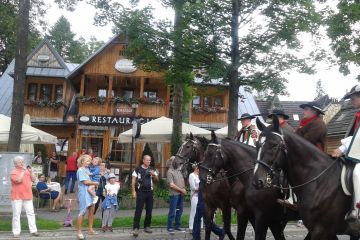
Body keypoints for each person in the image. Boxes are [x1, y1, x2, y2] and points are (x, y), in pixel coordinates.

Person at [331, 85, 360, 221]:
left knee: (357, 173)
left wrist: (342, 148)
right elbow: (355, 135)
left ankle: (357, 211)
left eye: (353, 98)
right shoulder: (357, 114)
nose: (351, 101)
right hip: (356, 152)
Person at [10, 156, 39, 238]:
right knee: (16, 214)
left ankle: (33, 231)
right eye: (20, 162)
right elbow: (18, 180)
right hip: (17, 196)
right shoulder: (13, 172)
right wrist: (23, 171)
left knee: (31, 213)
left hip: (28, 195)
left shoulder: (27, 171)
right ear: (15, 164)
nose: (22, 163)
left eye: (22, 161)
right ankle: (16, 232)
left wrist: (31, 171)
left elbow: (34, 179)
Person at [131, 155, 159, 237]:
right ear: (143, 160)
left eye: (149, 160)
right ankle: (136, 228)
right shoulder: (138, 169)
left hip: (150, 192)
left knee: (149, 210)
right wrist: (133, 191)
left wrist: (154, 175)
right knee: (138, 210)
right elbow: (133, 180)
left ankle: (147, 226)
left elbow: (157, 180)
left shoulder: (152, 169)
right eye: (147, 160)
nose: (148, 162)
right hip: (141, 192)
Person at [76, 154, 99, 240]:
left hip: (90, 192)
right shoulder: (80, 170)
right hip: (84, 193)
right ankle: (79, 232)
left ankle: (90, 229)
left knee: (92, 210)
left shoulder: (87, 169)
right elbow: (85, 182)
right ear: (82, 162)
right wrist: (95, 183)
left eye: (90, 161)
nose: (89, 163)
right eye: (88, 161)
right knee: (82, 212)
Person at [167, 156, 186, 234]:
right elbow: (171, 185)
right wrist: (181, 190)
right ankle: (170, 227)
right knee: (172, 211)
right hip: (174, 195)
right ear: (172, 162)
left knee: (179, 211)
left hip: (180, 194)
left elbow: (182, 181)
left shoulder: (178, 170)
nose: (178, 162)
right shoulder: (169, 172)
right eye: (176, 161)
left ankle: (177, 226)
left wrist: (184, 189)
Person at [188, 164, 201, 233]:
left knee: (200, 211)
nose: (199, 169)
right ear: (195, 168)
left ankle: (199, 227)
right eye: (198, 168)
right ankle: (191, 227)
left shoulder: (200, 175)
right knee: (194, 211)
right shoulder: (191, 175)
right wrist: (201, 188)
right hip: (195, 196)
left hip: (201, 196)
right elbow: (193, 187)